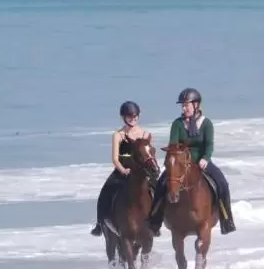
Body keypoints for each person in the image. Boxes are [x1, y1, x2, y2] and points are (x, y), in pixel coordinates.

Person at [149, 88, 237, 236]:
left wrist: (205, 158)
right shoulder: (177, 124)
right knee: (161, 184)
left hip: (201, 161)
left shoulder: (206, 123)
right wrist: (176, 159)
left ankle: (226, 220)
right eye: (182, 106)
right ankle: (154, 221)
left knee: (222, 183)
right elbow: (173, 145)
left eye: (186, 105)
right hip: (181, 163)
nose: (184, 108)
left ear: (196, 105)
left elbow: (209, 145)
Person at [90, 101, 155, 237]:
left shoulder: (146, 135)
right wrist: (123, 170)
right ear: (123, 118)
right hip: (123, 171)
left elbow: (150, 154)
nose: (133, 119)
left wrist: (152, 169)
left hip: (142, 172)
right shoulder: (118, 135)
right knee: (105, 191)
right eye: (129, 116)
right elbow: (115, 159)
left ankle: (156, 221)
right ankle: (99, 223)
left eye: (135, 116)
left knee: (157, 189)